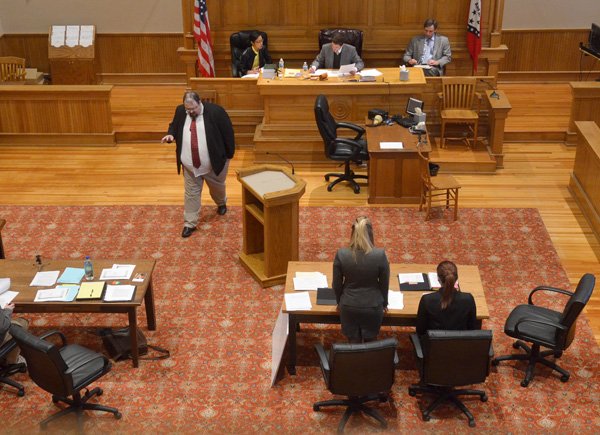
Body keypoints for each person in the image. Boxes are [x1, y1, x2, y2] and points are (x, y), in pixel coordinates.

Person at [161, 91, 236, 238]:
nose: (190, 112)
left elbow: (228, 135)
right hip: (190, 165)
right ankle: (190, 223)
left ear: (199, 102)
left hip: (213, 165)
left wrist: (228, 157)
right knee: (191, 193)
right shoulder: (181, 111)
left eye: (193, 109)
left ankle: (221, 202)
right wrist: (171, 134)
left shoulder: (216, 112)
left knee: (217, 188)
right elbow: (174, 126)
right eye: (187, 109)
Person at [333, 216, 390, 343]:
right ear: (370, 233)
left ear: (352, 233)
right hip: (373, 306)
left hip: (348, 305)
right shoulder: (380, 255)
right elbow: (384, 284)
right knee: (372, 343)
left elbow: (336, 284)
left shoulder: (341, 254)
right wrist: (385, 303)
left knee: (353, 344)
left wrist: (339, 302)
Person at [415, 260, 477, 335]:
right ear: (456, 279)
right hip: (460, 344)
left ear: (438, 279)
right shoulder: (468, 299)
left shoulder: (427, 300)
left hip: (434, 345)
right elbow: (473, 328)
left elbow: (420, 330)